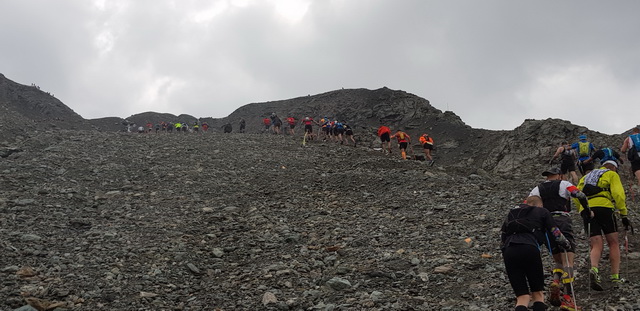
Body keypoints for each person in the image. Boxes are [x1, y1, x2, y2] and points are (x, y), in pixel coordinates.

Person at [529, 167, 589, 310]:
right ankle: (568, 299)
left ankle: (556, 281)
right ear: (559, 175)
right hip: (562, 220)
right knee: (568, 258)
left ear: (547, 176)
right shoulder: (564, 184)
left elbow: (528, 205)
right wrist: (587, 210)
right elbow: (579, 194)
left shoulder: (537, 189)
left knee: (557, 259)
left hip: (546, 224)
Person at [501, 195, 572, 311]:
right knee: (537, 293)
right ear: (539, 204)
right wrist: (566, 244)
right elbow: (555, 232)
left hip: (510, 251)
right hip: (530, 249)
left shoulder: (512, 213)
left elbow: (503, 237)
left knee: (522, 296)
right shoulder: (542, 211)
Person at [575, 160, 630, 291]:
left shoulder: (585, 177)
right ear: (614, 168)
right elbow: (618, 193)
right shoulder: (611, 174)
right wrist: (623, 213)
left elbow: (576, 195)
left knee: (596, 244)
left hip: (588, 210)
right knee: (613, 242)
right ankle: (615, 276)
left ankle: (594, 269)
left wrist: (582, 210)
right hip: (605, 207)